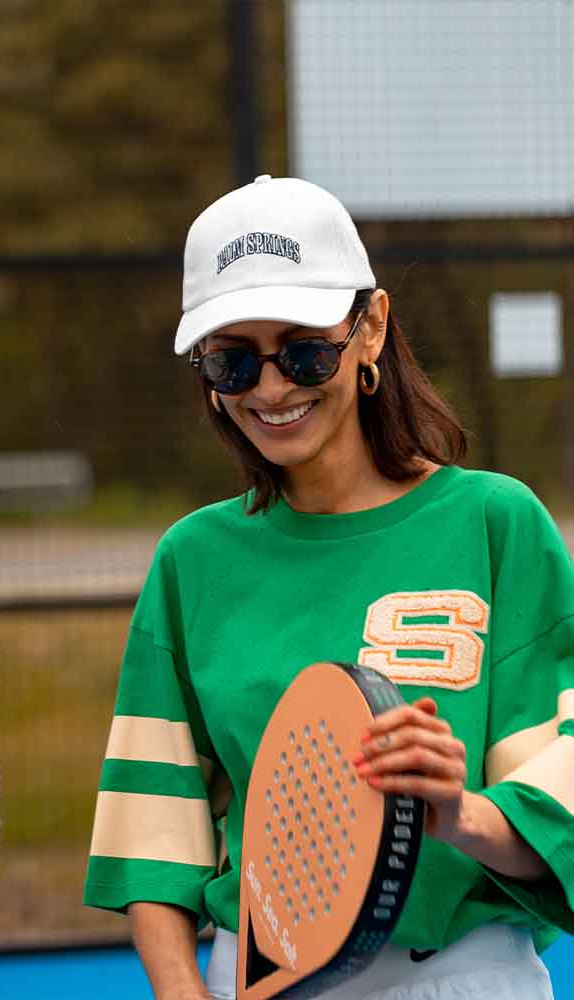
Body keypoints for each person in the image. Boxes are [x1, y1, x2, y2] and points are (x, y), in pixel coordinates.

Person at [83, 174, 574, 999]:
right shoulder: (191, 559)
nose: (273, 388)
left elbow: (559, 812)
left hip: (458, 975)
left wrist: (461, 813)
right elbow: (155, 834)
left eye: (305, 349)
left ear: (370, 326)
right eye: (233, 360)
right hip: (252, 977)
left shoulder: (497, 524)